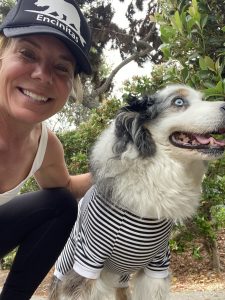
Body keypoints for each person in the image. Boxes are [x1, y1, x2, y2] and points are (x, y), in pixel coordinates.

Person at [0, 0, 93, 299]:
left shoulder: (45, 143)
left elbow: (65, 187)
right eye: (27, 53)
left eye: (61, 67)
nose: (42, 74)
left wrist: (121, 167)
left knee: (60, 204)